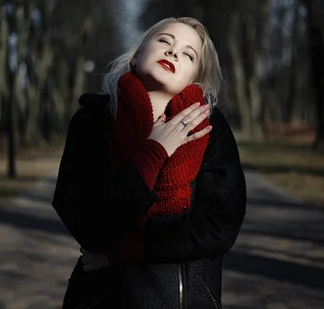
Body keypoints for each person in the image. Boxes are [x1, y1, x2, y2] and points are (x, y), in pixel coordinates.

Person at [52, 16, 247, 308]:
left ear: (195, 78)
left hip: (184, 299)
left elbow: (218, 226)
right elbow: (88, 222)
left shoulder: (210, 127)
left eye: (188, 53)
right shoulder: (92, 121)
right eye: (164, 42)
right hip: (104, 297)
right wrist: (154, 151)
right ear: (136, 56)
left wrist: (130, 248)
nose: (173, 52)